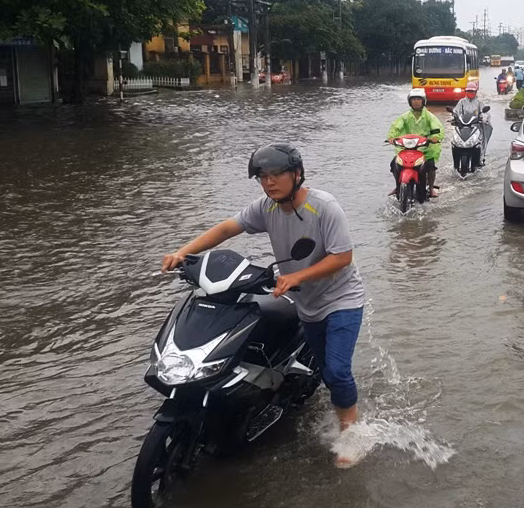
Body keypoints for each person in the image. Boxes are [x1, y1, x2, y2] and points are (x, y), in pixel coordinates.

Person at [161, 143, 366, 467]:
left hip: (341, 299)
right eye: (262, 177)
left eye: (276, 175)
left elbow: (342, 257)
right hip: (305, 304)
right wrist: (183, 252)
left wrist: (297, 276)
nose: (269, 183)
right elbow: (228, 228)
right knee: (325, 371)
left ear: (296, 175)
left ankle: (350, 432)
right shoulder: (266, 208)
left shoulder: (325, 207)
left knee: (338, 371)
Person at [388, 88, 444, 197]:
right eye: (414, 99)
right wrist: (391, 137)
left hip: (425, 149)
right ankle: (398, 186)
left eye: (419, 99)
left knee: (431, 165)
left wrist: (435, 137)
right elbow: (396, 127)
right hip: (407, 148)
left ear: (423, 101)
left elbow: (437, 128)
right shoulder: (404, 117)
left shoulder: (430, 117)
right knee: (394, 163)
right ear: (410, 102)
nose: (416, 102)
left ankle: (431, 188)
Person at [452, 81, 490, 167]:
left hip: (476, 127)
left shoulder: (479, 102)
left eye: (472, 91)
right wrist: (454, 117)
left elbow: (486, 113)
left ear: (476, 92)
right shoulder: (461, 102)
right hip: (463, 127)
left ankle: (480, 159)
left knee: (481, 141)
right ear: (466, 92)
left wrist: (483, 118)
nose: (470, 93)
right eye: (469, 91)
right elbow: (456, 111)